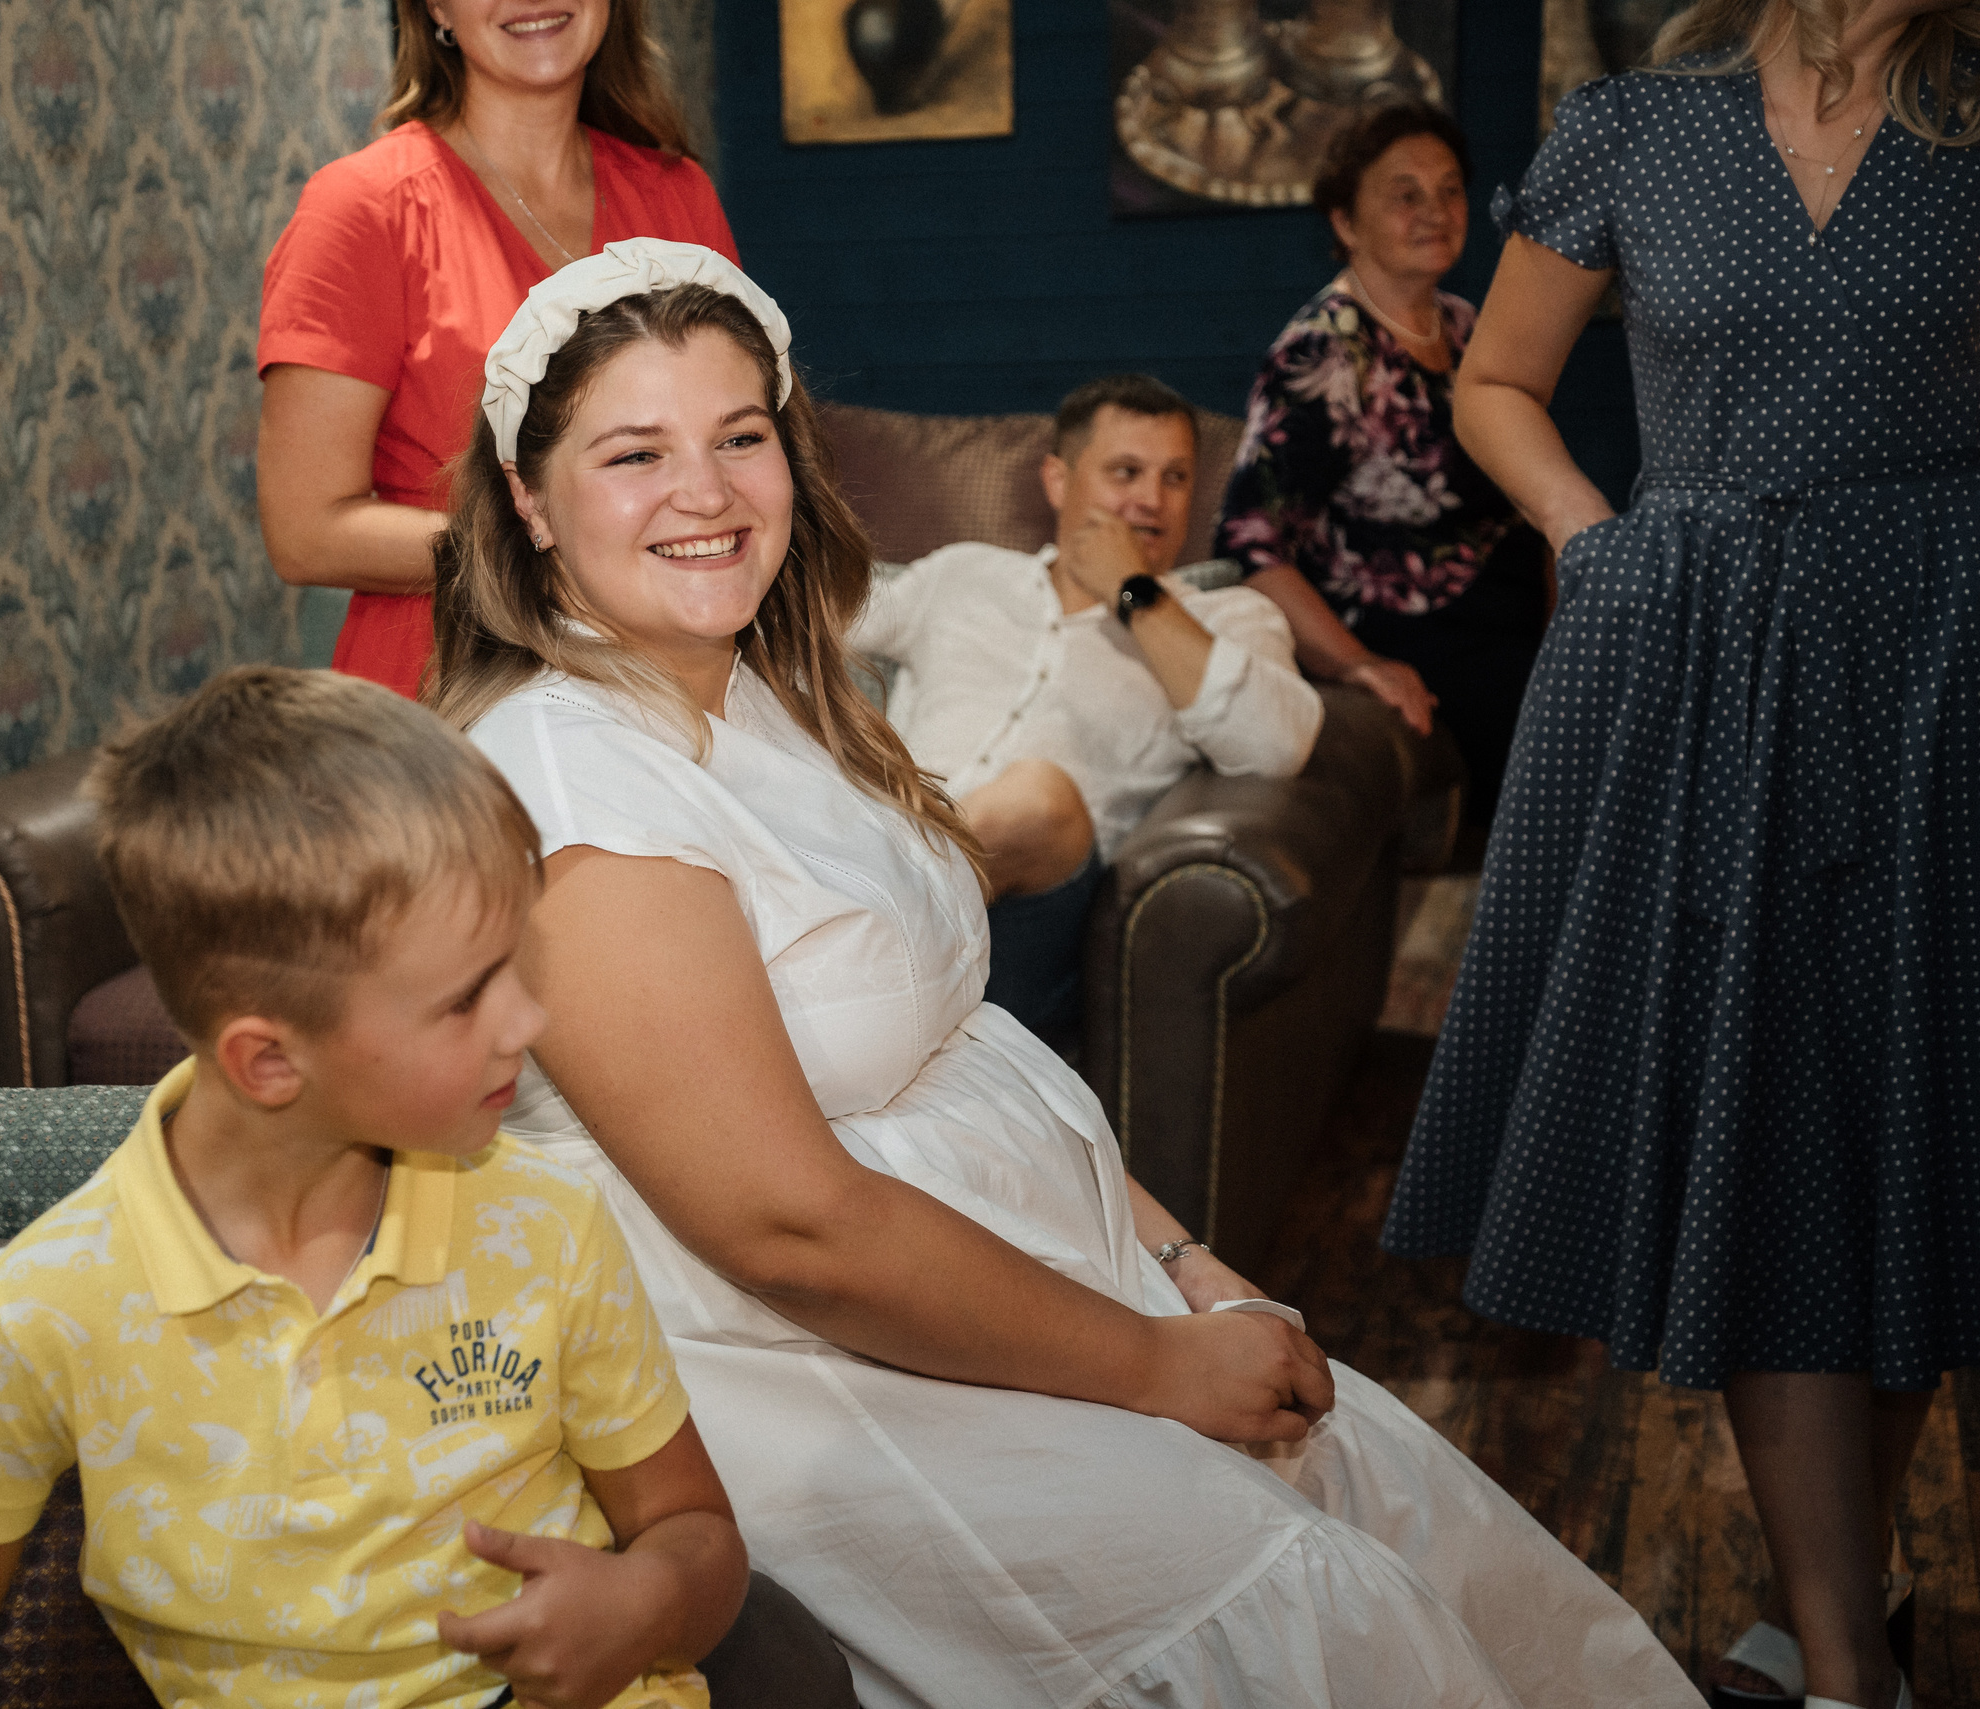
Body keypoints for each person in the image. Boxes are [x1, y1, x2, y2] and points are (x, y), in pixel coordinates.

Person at [429, 237, 1701, 1709]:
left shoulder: (777, 692)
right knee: (1301, 1607)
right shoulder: (575, 776)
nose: (706, 492)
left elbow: (965, 1034)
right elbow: (789, 1228)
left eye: (740, 436)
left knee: (1374, 1483)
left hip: (1030, 1275)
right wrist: (1154, 1369)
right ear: (528, 503)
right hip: (799, 1370)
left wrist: (1179, 1262)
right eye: (634, 454)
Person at [1382, 3, 1980, 1707]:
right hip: (1708, 656)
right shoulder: (1634, 128)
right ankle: (1852, 1657)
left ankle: (1833, 1600)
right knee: (1777, 1112)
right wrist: (1592, 523)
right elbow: (1496, 377)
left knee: (1908, 1127)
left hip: (1941, 652)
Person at [0, 666, 749, 1709]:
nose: (525, 1020)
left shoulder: (547, 1225)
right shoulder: (42, 1309)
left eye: (516, 960)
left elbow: (701, 1537)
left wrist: (647, 1602)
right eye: (464, 999)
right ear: (269, 1062)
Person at [255, 0, 737, 699]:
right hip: (452, 697)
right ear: (434, 8)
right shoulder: (364, 209)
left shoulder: (678, 196)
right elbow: (307, 533)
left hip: (666, 685)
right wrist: (557, 546)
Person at [849, 372, 1322, 1044]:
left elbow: (1278, 742)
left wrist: (1135, 593)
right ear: (1059, 480)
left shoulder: (1224, 617)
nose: (1151, 501)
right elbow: (808, 621)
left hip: (1040, 921)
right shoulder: (965, 574)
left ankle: (843, 953)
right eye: (1126, 472)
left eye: (1176, 478)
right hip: (883, 855)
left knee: (1038, 797)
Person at [1215, 102, 1549, 828]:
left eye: (1451, 188)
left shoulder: (1469, 328)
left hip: (1519, 626)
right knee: (1580, 743)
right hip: (1427, 641)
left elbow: (1531, 498)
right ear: (1344, 222)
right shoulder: (1325, 354)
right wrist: (1358, 665)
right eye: (1405, 194)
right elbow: (1251, 543)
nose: (1435, 210)